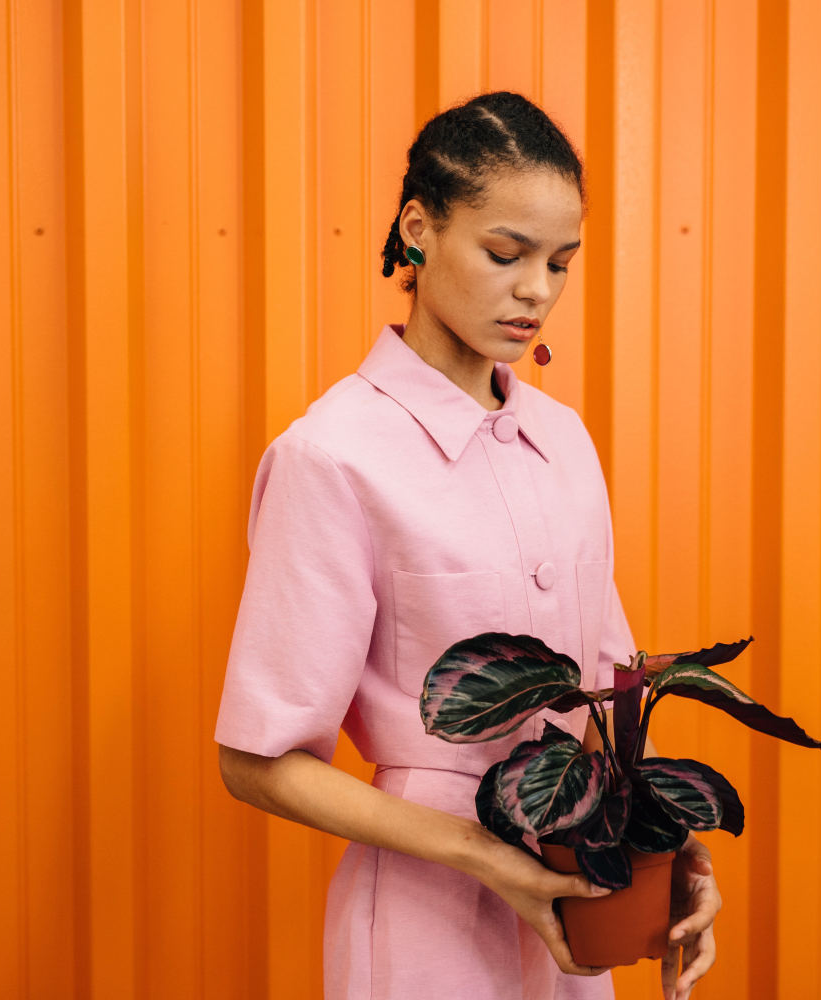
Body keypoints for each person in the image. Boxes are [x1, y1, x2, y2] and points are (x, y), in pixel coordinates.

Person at [215, 91, 720, 1000]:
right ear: (418, 229)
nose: (537, 291)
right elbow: (258, 761)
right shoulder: (330, 457)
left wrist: (675, 849)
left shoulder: (564, 441)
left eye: (561, 263)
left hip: (580, 900)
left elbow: (611, 695)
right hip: (424, 926)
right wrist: (480, 855)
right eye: (504, 253)